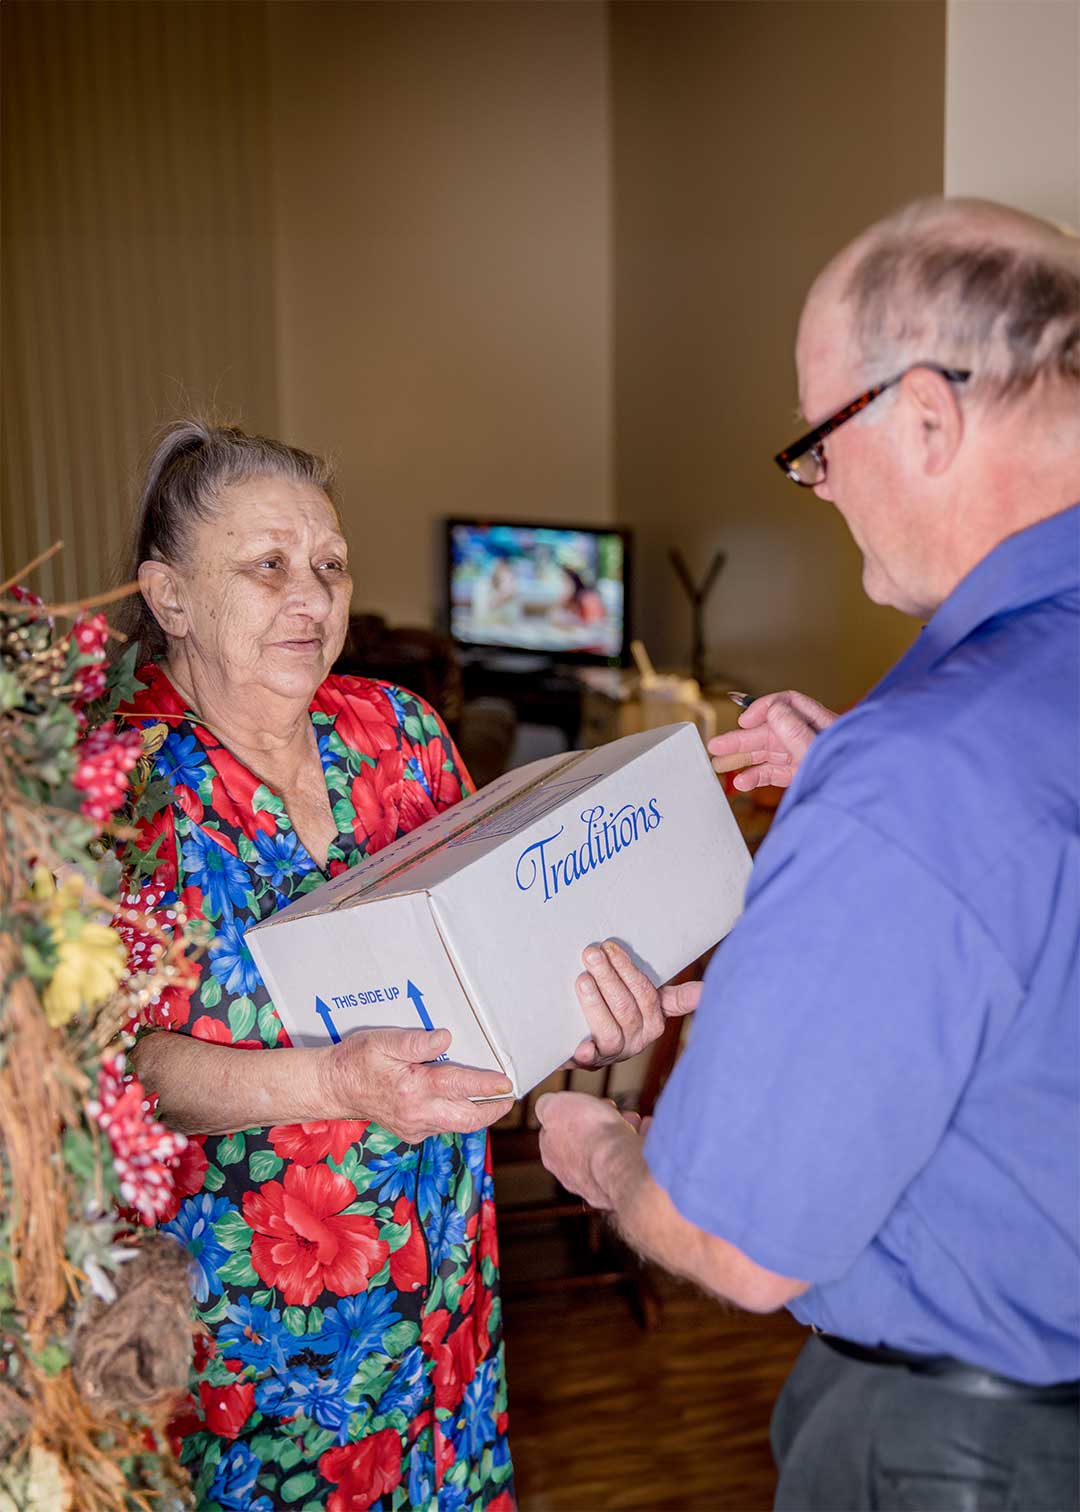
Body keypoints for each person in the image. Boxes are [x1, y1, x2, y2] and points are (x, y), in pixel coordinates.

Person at [535, 197, 1080, 1511]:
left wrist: (607, 1147)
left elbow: (737, 1240)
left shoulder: (920, 779)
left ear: (930, 421)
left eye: (818, 445)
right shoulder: (951, 755)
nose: (820, 486)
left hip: (964, 1454)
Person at [113, 421, 521, 1510]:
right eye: (269, 566)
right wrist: (337, 1083)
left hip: (442, 1285)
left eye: (331, 566)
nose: (314, 596)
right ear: (171, 595)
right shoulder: (120, 792)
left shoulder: (401, 733)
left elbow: (492, 948)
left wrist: (586, 1003)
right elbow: (120, 1069)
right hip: (253, 1332)